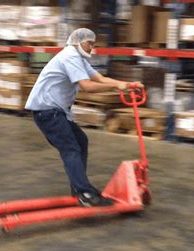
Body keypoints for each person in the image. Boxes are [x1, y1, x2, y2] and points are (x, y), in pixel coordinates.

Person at [25, 28, 143, 207]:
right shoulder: (70, 56)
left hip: (56, 111)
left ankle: (79, 189)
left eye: (93, 44)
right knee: (71, 148)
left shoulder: (78, 59)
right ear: (77, 42)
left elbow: (100, 78)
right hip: (47, 111)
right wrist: (117, 87)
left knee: (81, 141)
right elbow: (87, 86)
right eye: (89, 43)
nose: (92, 48)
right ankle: (84, 193)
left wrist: (126, 84)